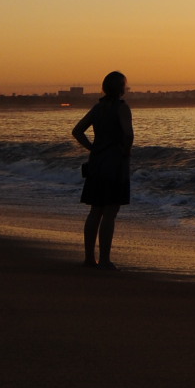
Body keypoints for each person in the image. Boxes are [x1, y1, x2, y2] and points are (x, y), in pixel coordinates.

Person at [71, 71, 133, 268]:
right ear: (120, 88)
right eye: (125, 84)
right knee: (110, 212)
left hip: (97, 162)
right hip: (114, 163)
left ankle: (89, 258)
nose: (126, 87)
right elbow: (128, 134)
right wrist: (125, 152)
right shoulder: (121, 108)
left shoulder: (98, 108)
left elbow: (77, 131)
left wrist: (92, 148)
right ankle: (105, 259)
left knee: (95, 210)